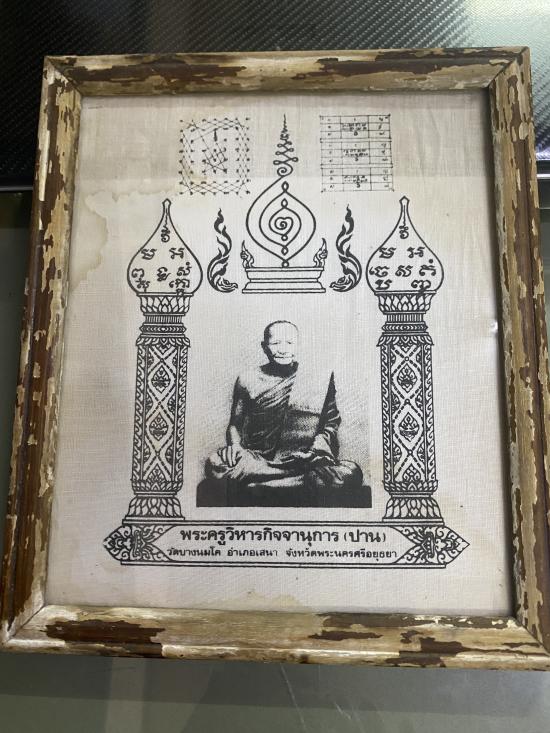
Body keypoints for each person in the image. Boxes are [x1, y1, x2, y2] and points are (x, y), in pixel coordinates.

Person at [203, 320, 362, 501]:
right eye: (276, 343)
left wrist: (316, 451)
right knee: (215, 464)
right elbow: (235, 425)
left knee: (351, 472)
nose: (283, 349)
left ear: (298, 345)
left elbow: (330, 424)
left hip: (305, 459)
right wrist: (235, 447)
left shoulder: (318, 379)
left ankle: (262, 485)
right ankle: (292, 484)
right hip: (259, 458)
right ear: (264, 347)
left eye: (289, 343)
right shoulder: (247, 379)